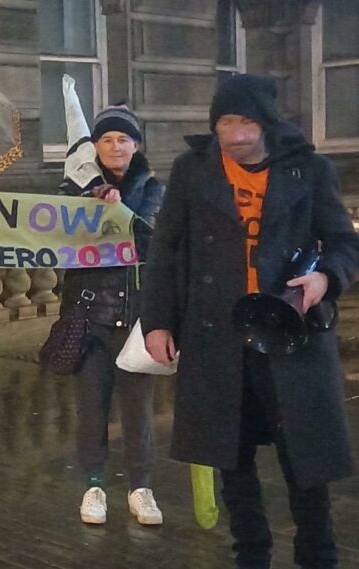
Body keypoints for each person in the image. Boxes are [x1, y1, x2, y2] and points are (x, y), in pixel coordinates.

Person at [142, 74, 359, 569]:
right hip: (217, 334)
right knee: (231, 456)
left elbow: (346, 245)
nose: (236, 134)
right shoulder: (192, 171)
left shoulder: (310, 170)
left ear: (267, 123)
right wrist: (156, 322)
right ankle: (251, 556)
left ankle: (317, 556)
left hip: (292, 332)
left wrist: (326, 278)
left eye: (246, 122)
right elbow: (165, 251)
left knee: (305, 460)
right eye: (225, 122)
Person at [58, 104, 164, 526]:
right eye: (106, 140)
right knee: (91, 408)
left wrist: (119, 208)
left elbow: (151, 235)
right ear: (95, 147)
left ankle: (141, 488)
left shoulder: (153, 188)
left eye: (123, 139)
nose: (115, 146)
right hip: (88, 317)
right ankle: (94, 486)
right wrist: (90, 201)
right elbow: (58, 230)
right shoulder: (72, 189)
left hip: (137, 318)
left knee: (138, 410)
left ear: (135, 145)